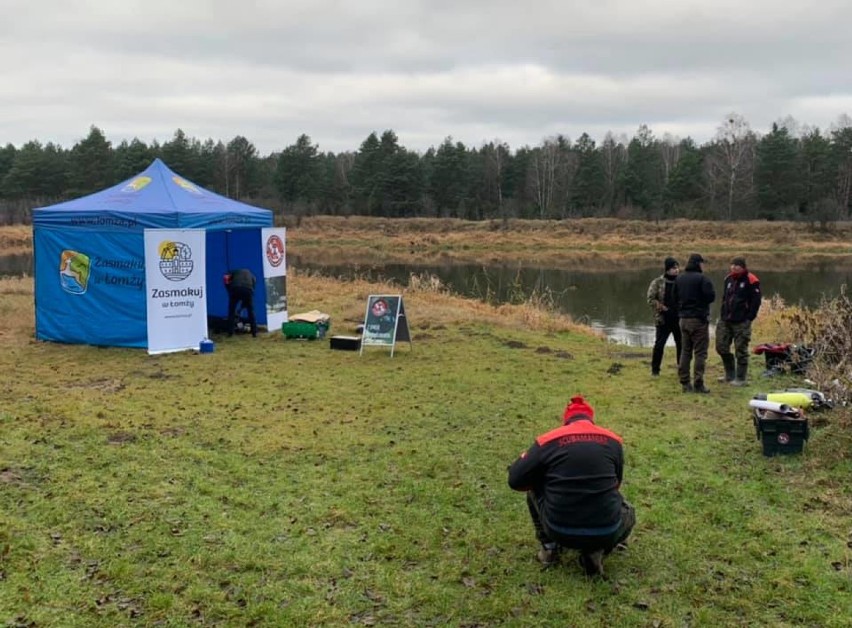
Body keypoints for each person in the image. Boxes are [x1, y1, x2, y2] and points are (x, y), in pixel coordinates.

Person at [507, 396, 635, 576]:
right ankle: (597, 549)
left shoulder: (548, 440)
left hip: (558, 529)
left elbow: (515, 480)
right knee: (628, 510)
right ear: (591, 419)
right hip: (607, 530)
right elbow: (617, 484)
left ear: (566, 419)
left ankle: (549, 549)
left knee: (533, 488)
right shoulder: (613, 441)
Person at [716, 256, 761, 386]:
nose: (734, 267)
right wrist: (722, 313)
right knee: (721, 347)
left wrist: (749, 318)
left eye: (737, 265)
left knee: (741, 349)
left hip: (742, 321)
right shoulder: (728, 279)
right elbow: (725, 298)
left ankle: (741, 378)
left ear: (743, 267)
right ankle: (729, 375)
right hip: (726, 320)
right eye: (732, 265)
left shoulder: (751, 280)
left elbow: (756, 301)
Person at [676, 253, 715, 393]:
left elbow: (674, 297)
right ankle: (698, 383)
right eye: (702, 263)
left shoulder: (679, 278)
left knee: (685, 351)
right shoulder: (702, 279)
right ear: (699, 264)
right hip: (698, 320)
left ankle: (685, 383)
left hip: (683, 320)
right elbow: (711, 297)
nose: (703, 266)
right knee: (700, 353)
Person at [646, 257, 682, 377]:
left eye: (677, 268)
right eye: (673, 268)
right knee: (659, 345)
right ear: (667, 269)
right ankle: (655, 370)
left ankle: (681, 369)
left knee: (681, 344)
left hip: (679, 319)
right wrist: (662, 308)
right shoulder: (657, 282)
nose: (676, 270)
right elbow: (650, 299)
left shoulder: (682, 281)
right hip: (663, 319)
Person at [226, 268, 257, 337]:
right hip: (248, 289)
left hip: (235, 288)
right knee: (251, 311)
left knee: (231, 311)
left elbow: (226, 280)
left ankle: (230, 333)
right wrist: (248, 299)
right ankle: (254, 333)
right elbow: (254, 283)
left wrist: (229, 291)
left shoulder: (233, 273)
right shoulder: (251, 275)